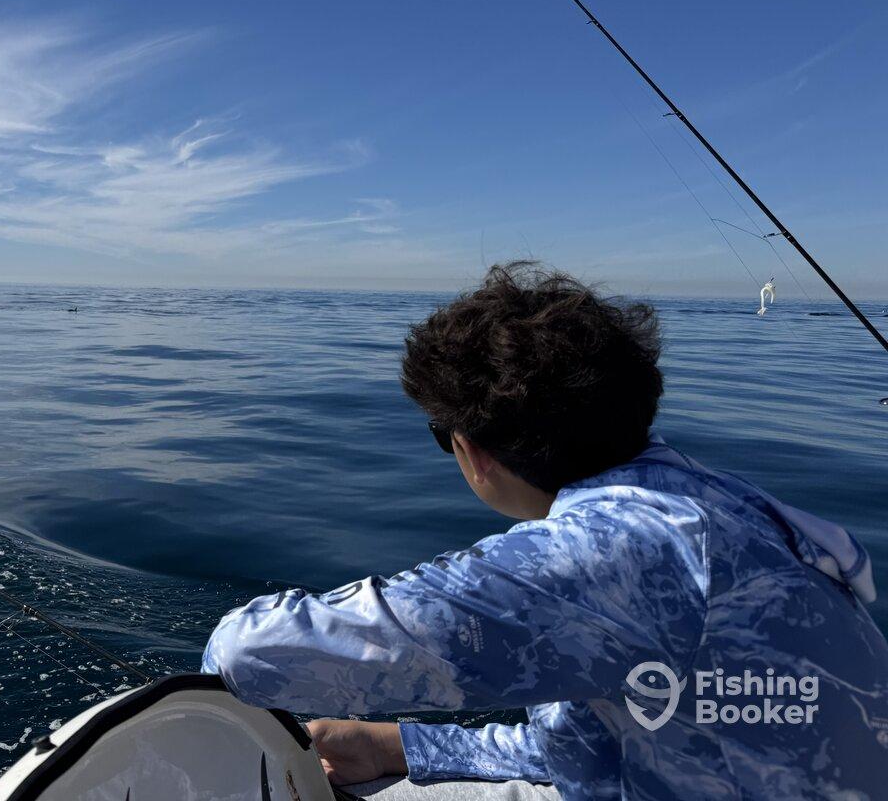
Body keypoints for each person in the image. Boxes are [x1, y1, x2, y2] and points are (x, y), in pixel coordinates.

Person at [202, 263, 888, 800]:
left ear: (470, 448)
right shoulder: (717, 505)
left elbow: (249, 655)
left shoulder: (610, 558)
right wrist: (397, 747)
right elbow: (617, 730)